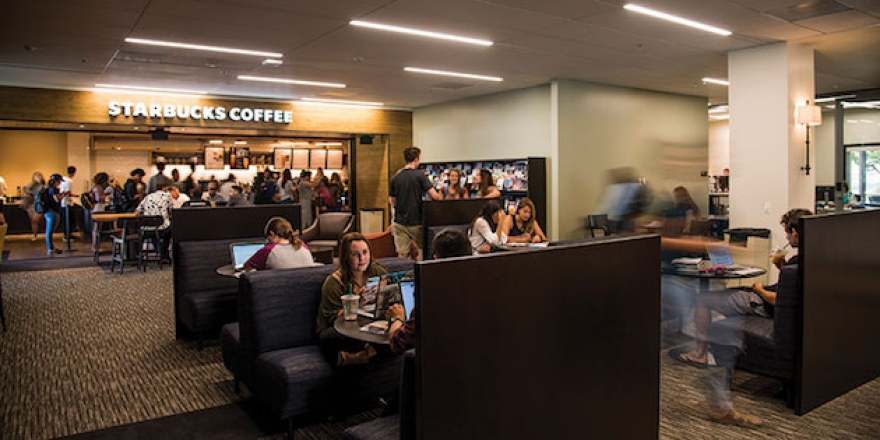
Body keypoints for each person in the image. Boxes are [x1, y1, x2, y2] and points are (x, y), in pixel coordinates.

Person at [676, 208, 812, 427]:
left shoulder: (798, 262)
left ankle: (700, 352)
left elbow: (778, 299)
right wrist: (780, 267)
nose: (786, 237)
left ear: (795, 232)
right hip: (774, 309)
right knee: (728, 306)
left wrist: (758, 289)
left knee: (704, 299)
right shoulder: (811, 257)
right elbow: (792, 292)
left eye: (787, 233)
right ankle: (722, 340)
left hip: (762, 305)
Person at [386, 228, 472, 354]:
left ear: (436, 258)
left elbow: (398, 342)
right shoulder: (485, 286)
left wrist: (397, 319)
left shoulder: (432, 297)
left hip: (439, 367)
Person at [317, 232, 388, 366]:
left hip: (369, 324)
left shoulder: (378, 272)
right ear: (346, 257)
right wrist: (356, 304)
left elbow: (390, 293)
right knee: (329, 338)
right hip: (339, 328)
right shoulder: (334, 282)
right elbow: (332, 319)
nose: (362, 258)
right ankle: (369, 353)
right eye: (355, 254)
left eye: (365, 252)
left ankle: (358, 357)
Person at [388, 147, 443, 259]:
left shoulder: (395, 178)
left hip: (399, 222)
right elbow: (434, 196)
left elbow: (392, 201)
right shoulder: (420, 175)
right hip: (416, 221)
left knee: (402, 254)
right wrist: (441, 192)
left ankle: (403, 275)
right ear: (417, 159)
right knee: (423, 251)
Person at [245, 217, 316, 271]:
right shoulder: (304, 247)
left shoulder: (268, 250)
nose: (268, 241)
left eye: (267, 238)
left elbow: (247, 267)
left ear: (272, 234)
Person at [136, 185, 174, 261]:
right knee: (170, 230)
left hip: (146, 230)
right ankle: (163, 254)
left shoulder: (147, 197)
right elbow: (171, 211)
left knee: (154, 231)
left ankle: (158, 252)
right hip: (161, 229)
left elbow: (137, 212)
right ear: (164, 188)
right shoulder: (167, 196)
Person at [89, 172, 111, 252]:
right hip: (99, 209)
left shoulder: (95, 187)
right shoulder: (98, 188)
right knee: (97, 229)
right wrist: (105, 195)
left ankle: (95, 245)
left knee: (96, 228)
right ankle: (95, 246)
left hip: (96, 208)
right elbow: (99, 199)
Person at [43, 174, 64, 255]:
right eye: (59, 181)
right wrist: (63, 194)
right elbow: (57, 200)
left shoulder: (48, 188)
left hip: (48, 211)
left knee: (50, 230)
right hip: (52, 212)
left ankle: (51, 247)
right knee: (49, 230)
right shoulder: (53, 189)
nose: (60, 183)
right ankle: (50, 248)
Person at [21, 172, 45, 242]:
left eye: (40, 176)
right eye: (37, 176)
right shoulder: (31, 185)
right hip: (31, 205)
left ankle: (43, 232)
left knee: (37, 219)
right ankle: (35, 235)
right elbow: (25, 191)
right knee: (34, 221)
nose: (38, 177)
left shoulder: (43, 186)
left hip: (40, 205)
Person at [60, 165, 78, 245]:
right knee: (70, 220)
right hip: (67, 203)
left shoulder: (63, 179)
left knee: (66, 220)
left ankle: (66, 235)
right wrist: (78, 195)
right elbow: (69, 193)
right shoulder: (69, 181)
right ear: (74, 172)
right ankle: (68, 236)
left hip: (63, 203)